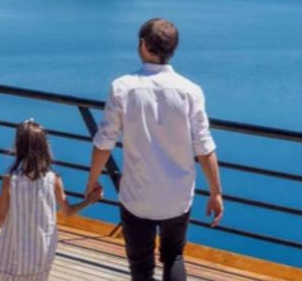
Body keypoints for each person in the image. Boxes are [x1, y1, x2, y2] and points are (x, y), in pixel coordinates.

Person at [86, 18, 224, 281]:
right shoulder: (190, 91)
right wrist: (216, 192)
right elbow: (204, 146)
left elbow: (105, 140)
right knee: (174, 256)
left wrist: (93, 179)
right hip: (177, 195)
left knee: (140, 266)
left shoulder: (122, 88)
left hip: (137, 194)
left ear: (142, 44)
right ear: (173, 48)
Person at [0, 120, 103, 281]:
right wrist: (90, 200)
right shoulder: (54, 179)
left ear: (18, 147)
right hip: (42, 250)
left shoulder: (10, 180)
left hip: (13, 251)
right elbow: (68, 211)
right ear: (45, 147)